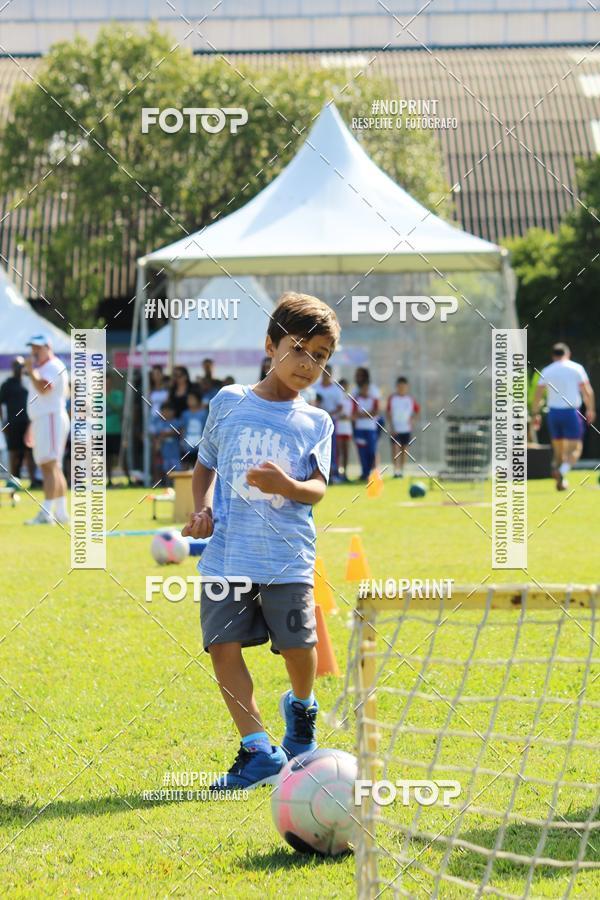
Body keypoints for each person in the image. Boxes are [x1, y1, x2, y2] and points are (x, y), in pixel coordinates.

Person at [182, 291, 340, 792]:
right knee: (222, 646)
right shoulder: (229, 401)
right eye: (300, 349)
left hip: (286, 557)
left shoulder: (317, 421)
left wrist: (287, 487)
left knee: (299, 647)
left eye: (320, 357)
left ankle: (302, 710)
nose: (308, 364)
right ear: (270, 345)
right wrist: (202, 509)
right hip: (227, 555)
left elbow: (317, 488)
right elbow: (205, 462)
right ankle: (257, 750)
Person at [533, 342, 596, 491]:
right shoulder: (576, 368)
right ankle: (561, 472)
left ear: (553, 356)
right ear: (568, 354)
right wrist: (591, 409)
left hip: (553, 413)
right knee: (575, 449)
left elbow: (538, 393)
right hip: (571, 412)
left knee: (559, 452)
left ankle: (560, 482)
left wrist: (535, 414)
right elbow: (587, 391)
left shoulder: (547, 370)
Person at [23, 334, 70, 525]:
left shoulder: (53, 366)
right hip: (44, 419)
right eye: (32, 347)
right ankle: (60, 512)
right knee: (52, 466)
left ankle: (47, 512)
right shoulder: (44, 367)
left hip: (51, 418)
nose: (34, 351)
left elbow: (44, 389)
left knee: (49, 465)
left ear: (48, 347)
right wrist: (31, 426)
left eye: (38, 347)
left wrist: (30, 370)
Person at [0, 356, 36, 485]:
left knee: (29, 452)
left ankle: (33, 481)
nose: (19, 368)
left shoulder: (28, 382)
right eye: (16, 365)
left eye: (21, 365)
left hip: (27, 423)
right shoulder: (7, 384)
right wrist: (3, 423)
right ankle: (13, 481)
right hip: (12, 423)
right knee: (13, 452)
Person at [387, 376, 420, 478]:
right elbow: (388, 412)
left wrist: (413, 420)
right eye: (399, 386)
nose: (401, 389)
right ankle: (395, 470)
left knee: (404, 449)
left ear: (407, 387)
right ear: (397, 387)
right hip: (395, 429)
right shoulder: (392, 398)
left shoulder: (410, 399)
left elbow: (417, 411)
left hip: (406, 429)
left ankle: (402, 470)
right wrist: (392, 427)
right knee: (395, 449)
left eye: (403, 387)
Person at [316, 364, 344, 481]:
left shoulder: (336, 390)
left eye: (328, 373)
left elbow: (340, 406)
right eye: (324, 373)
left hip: (331, 422)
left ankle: (334, 473)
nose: (326, 376)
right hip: (317, 423)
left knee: (332, 448)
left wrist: (329, 414)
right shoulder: (315, 388)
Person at [352, 370, 380, 481]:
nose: (365, 390)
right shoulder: (356, 399)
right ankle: (364, 473)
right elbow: (354, 413)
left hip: (371, 429)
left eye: (367, 388)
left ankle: (373, 474)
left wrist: (364, 414)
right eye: (363, 388)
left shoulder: (373, 399)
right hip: (359, 429)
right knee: (362, 452)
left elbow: (375, 412)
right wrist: (367, 414)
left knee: (372, 451)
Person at [105, 373, 125, 486]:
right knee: (106, 457)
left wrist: (107, 397)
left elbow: (118, 408)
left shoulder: (117, 394)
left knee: (119, 455)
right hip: (103, 431)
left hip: (116, 430)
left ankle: (128, 478)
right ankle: (109, 479)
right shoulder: (97, 396)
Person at [180, 389, 207, 467]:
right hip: (187, 444)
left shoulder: (203, 413)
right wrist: (182, 441)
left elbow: (206, 428)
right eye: (189, 399)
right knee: (186, 465)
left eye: (192, 398)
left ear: (198, 400)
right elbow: (183, 428)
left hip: (200, 445)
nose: (190, 401)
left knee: (199, 465)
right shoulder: (185, 414)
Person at [157, 401, 181, 483]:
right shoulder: (160, 423)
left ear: (173, 412)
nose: (165, 413)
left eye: (168, 411)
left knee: (176, 469)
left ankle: (177, 484)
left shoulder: (176, 422)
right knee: (166, 469)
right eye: (163, 411)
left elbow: (179, 432)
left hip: (176, 453)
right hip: (165, 453)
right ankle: (167, 485)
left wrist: (168, 433)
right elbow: (158, 435)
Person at [335, 377, 353, 480]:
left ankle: (345, 473)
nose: (343, 388)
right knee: (338, 452)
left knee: (346, 452)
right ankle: (337, 472)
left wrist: (348, 417)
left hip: (347, 428)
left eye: (345, 386)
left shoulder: (350, 399)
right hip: (338, 428)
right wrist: (340, 416)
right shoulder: (337, 398)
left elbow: (354, 414)